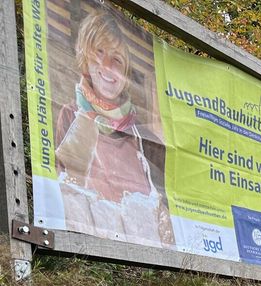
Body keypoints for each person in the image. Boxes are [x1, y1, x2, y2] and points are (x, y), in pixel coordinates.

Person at [55, 9, 173, 246]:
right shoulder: (70, 115)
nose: (108, 66)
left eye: (117, 59)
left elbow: (165, 214)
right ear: (86, 60)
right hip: (89, 251)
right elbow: (62, 191)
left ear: (126, 71)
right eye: (99, 52)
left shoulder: (144, 136)